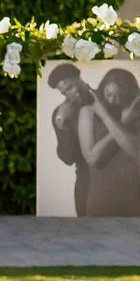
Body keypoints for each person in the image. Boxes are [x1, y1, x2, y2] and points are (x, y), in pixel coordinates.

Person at [77, 66, 140, 217]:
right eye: (109, 95)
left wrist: (109, 118)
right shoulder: (88, 112)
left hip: (137, 196)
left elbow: (136, 150)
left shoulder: (138, 113)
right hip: (102, 197)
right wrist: (119, 122)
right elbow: (92, 158)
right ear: (102, 91)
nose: (113, 101)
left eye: (119, 96)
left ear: (130, 94)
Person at [44, 61, 93, 216]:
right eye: (64, 93)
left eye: (70, 87)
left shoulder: (108, 98)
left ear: (79, 76)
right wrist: (62, 127)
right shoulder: (61, 114)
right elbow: (68, 159)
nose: (70, 94)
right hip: (86, 182)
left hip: (117, 179)